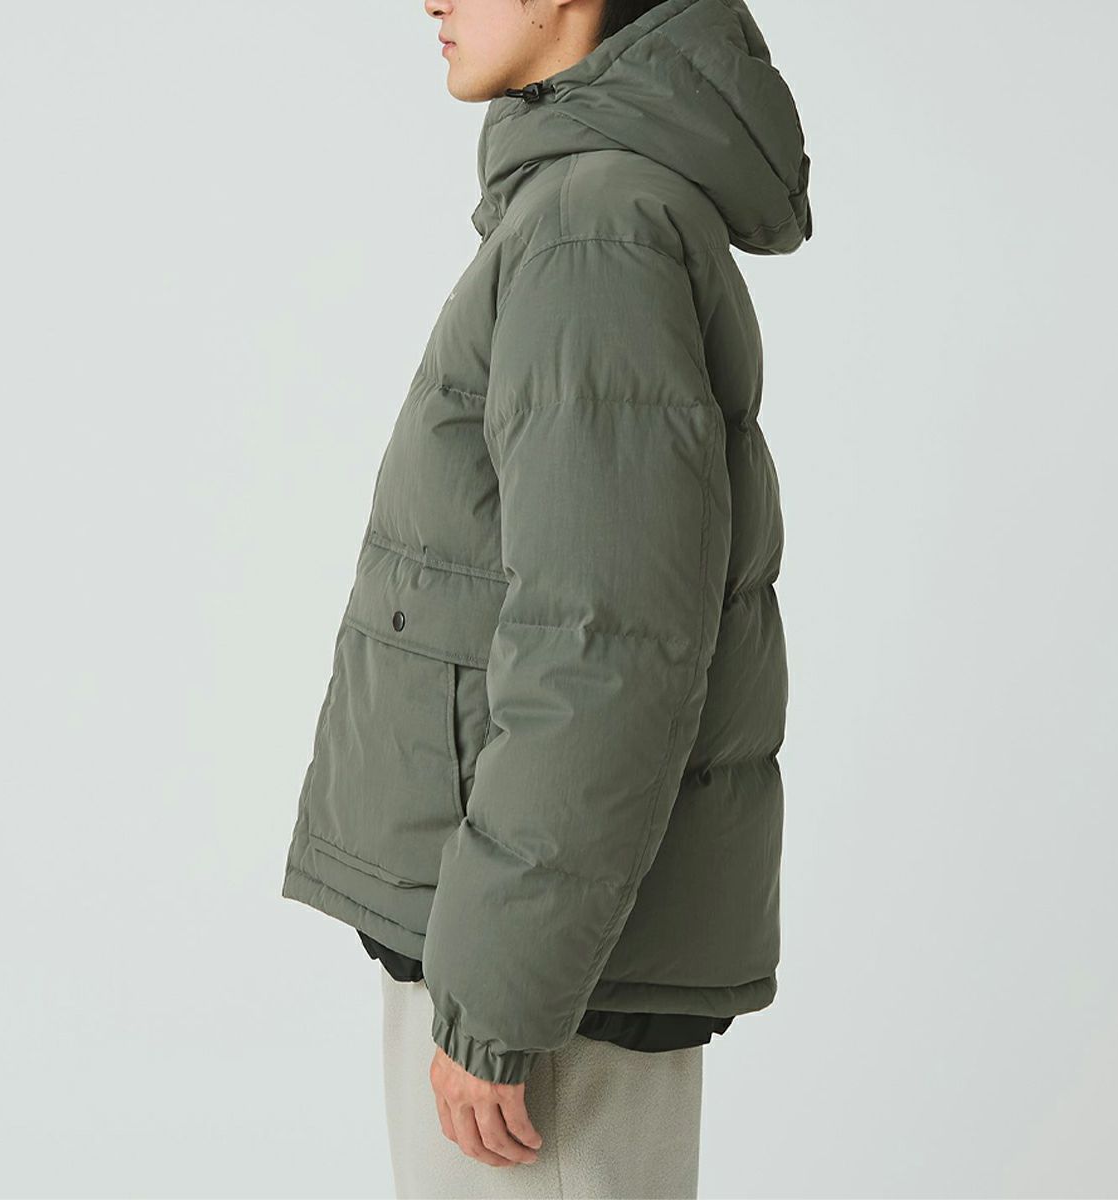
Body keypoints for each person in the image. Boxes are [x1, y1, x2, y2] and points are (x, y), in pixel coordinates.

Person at [280, 0, 812, 1193]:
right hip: (533, 939)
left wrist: (498, 999)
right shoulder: (587, 206)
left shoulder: (595, 227)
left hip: (539, 979)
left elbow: (602, 640)